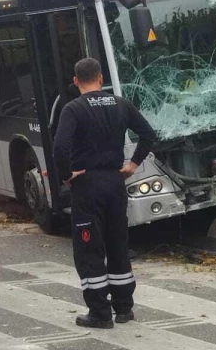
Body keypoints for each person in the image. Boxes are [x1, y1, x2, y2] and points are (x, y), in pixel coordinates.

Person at [52, 57, 159, 329]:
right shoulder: (121, 104)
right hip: (115, 182)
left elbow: (60, 148)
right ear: (100, 78)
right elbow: (148, 134)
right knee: (117, 243)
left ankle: (99, 312)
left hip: (87, 186)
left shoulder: (73, 109)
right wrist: (132, 165)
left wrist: (66, 175)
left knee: (89, 248)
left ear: (76, 81)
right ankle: (124, 308)